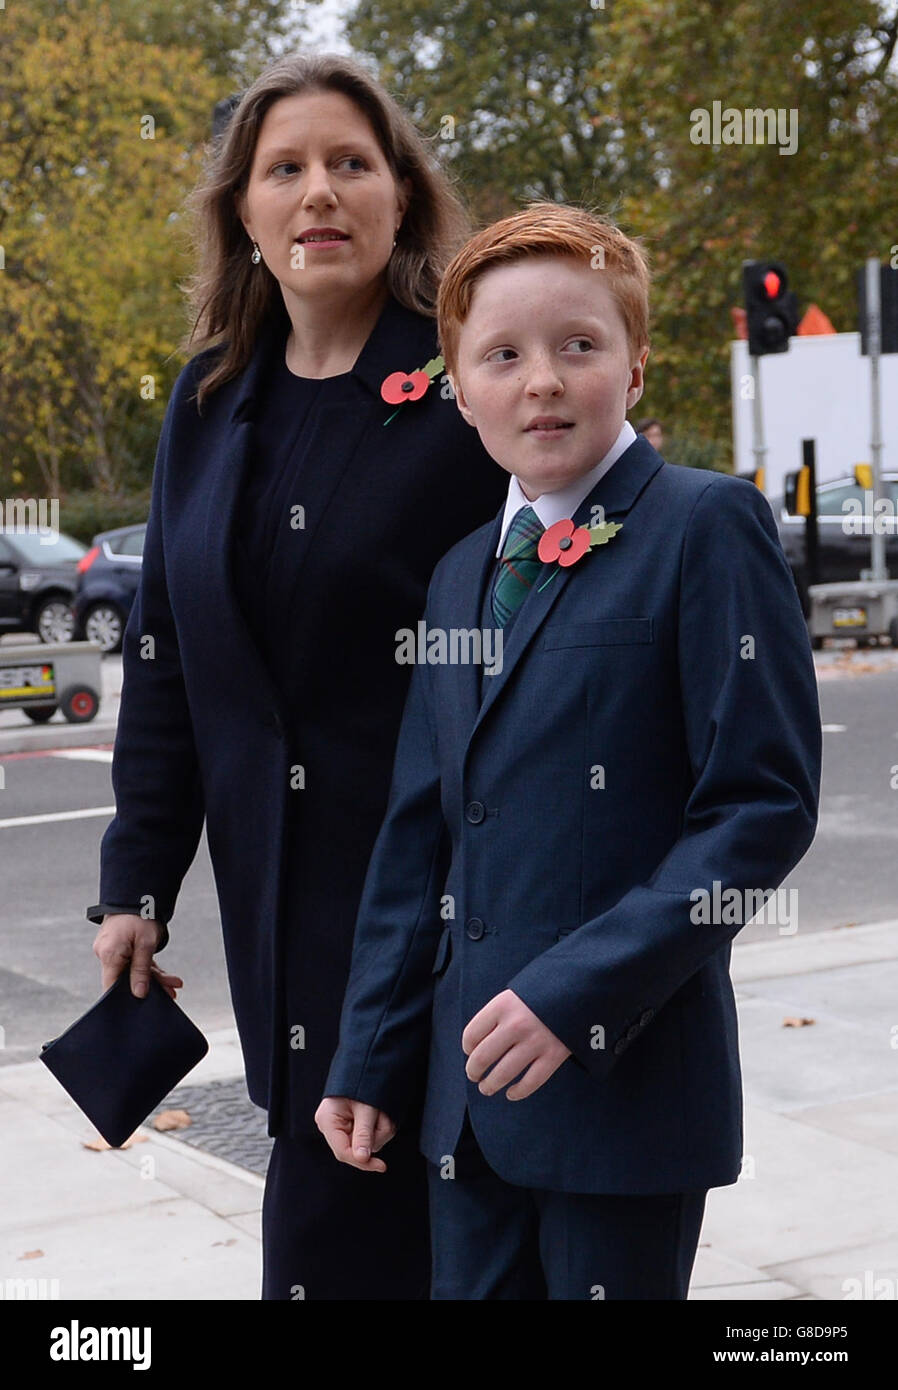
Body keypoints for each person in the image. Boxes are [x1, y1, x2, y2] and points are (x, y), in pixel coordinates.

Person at [317, 203, 822, 1300]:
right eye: (502, 355)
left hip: (623, 1094)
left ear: (634, 366)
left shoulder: (706, 524)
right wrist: (367, 1051)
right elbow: (420, 839)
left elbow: (760, 807)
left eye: (577, 345)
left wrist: (577, 993)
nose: (540, 379)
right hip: (465, 1106)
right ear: (458, 388)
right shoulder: (457, 573)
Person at [86, 52, 506, 1301]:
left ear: (400, 198)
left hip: (444, 919)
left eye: (349, 163)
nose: (318, 191)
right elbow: (167, 659)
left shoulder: (464, 387)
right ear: (244, 213)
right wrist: (135, 881)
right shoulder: (210, 404)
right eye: (285, 169)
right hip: (279, 922)